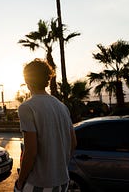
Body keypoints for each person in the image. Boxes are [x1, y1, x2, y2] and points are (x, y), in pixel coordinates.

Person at [15, 58, 77, 192]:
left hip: (39, 183)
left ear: (27, 81)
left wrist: (20, 181)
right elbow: (73, 143)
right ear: (47, 79)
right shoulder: (62, 107)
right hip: (62, 181)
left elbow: (30, 151)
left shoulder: (27, 107)